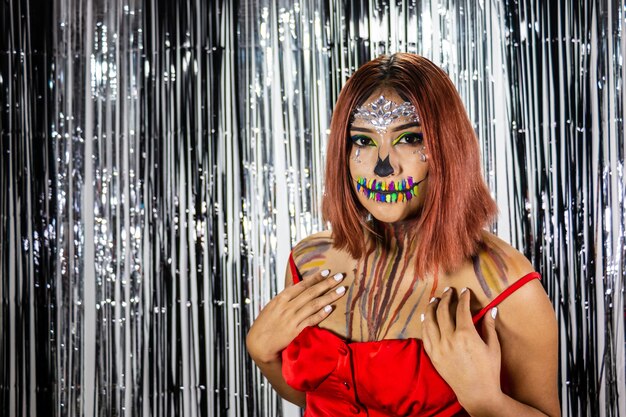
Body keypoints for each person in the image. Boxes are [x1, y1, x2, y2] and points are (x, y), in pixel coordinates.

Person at [246, 53, 560, 417]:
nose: (383, 165)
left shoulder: (504, 287)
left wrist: (486, 401)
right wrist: (262, 355)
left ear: (448, 148)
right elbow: (313, 396)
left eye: (409, 138)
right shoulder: (309, 261)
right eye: (362, 141)